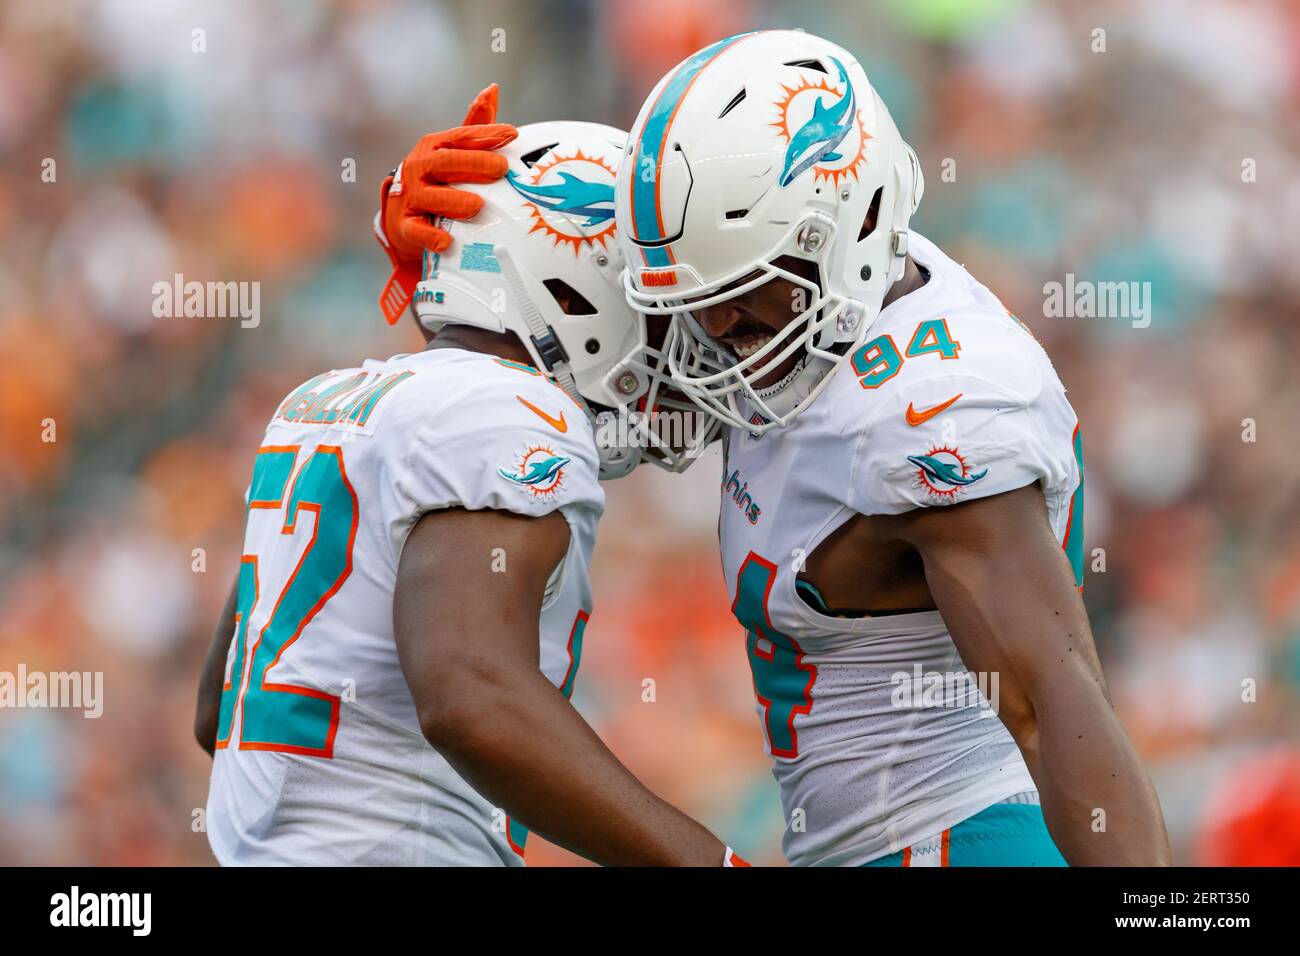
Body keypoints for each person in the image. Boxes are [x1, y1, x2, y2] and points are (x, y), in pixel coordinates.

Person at [617, 29, 1170, 866]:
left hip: (959, 843)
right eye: (696, 298)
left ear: (846, 232)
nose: (715, 328)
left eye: (740, 292)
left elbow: (1051, 699)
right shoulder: (815, 299)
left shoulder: (930, 407)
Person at [195, 98, 744, 867]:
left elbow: (216, 705)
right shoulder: (508, 410)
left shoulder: (320, 402)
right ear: (574, 285)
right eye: (652, 302)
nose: (676, 336)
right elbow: (471, 699)